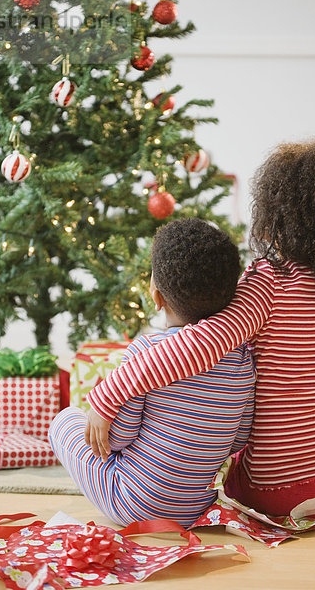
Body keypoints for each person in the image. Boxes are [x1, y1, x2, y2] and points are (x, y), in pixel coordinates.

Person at [86, 138, 315, 516]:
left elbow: (195, 344)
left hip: (271, 493)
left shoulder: (269, 281)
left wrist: (108, 396)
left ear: (277, 213)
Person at [49, 218, 255, 526]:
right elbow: (239, 439)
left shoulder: (146, 353)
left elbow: (117, 439)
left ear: (156, 296)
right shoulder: (241, 362)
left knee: (63, 421)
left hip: (131, 506)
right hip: (193, 509)